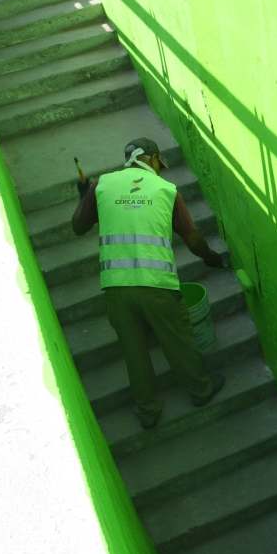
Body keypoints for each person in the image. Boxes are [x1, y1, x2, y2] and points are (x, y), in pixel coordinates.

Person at [72, 137, 227, 429]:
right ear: (153, 159)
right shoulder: (167, 190)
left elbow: (78, 226)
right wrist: (211, 258)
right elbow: (192, 239)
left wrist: (84, 196)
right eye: (160, 163)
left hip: (116, 287)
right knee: (177, 341)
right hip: (157, 285)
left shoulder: (101, 185)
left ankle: (148, 411)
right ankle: (200, 389)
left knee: (134, 350)